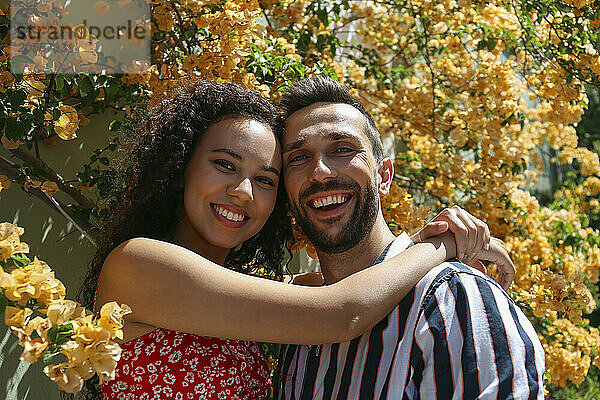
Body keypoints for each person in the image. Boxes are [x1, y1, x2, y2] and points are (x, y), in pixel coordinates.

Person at [80, 79, 513, 400]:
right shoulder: (138, 264)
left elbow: (348, 285)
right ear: (181, 169)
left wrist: (419, 239)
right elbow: (340, 311)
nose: (243, 192)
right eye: (225, 165)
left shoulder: (245, 291)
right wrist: (443, 245)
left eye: (266, 178)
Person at [274, 76, 545, 399]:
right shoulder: (294, 317)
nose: (319, 171)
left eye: (343, 149)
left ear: (384, 176)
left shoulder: (454, 300)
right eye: (298, 157)